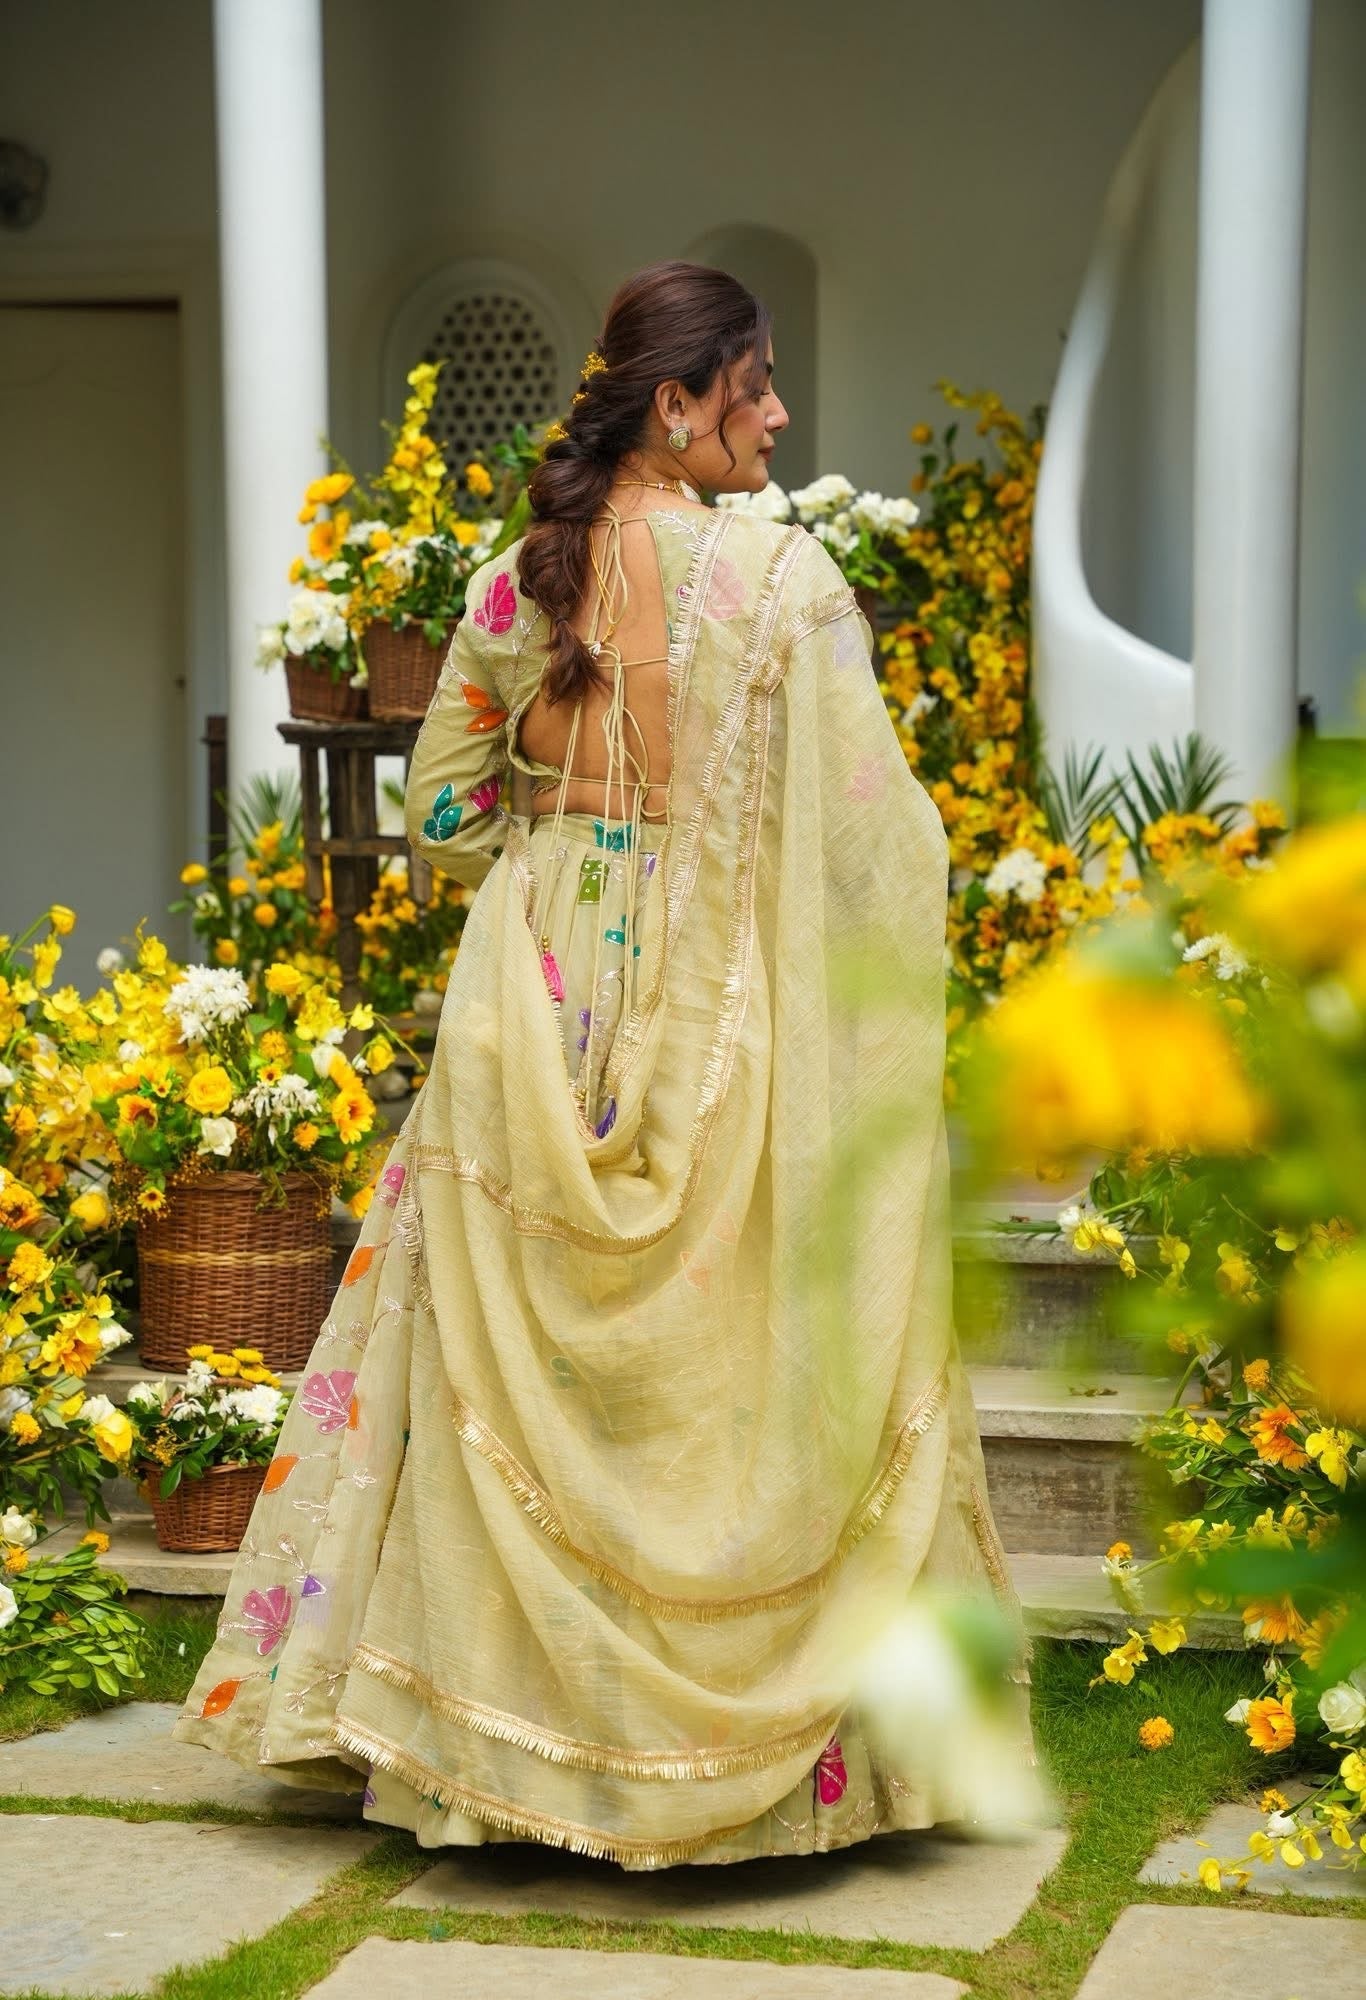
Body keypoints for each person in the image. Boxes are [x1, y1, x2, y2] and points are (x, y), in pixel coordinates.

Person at [174, 261, 1025, 1868]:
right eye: (754, 388)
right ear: (676, 402)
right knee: (720, 1335)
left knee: (512, 1349)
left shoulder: (519, 584)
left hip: (533, 981)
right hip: (718, 991)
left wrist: (555, 825)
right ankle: (736, 1751)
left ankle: (490, 1743)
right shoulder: (782, 584)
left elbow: (435, 818)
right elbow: (874, 836)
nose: (777, 416)